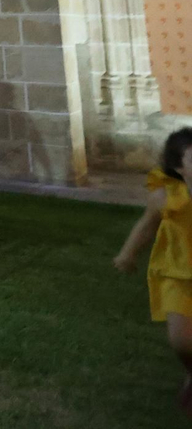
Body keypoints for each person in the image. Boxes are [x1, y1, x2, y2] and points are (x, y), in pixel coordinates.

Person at [114, 128, 192, 417]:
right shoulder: (168, 197)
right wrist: (128, 253)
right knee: (181, 340)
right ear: (179, 167)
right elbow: (147, 225)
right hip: (176, 271)